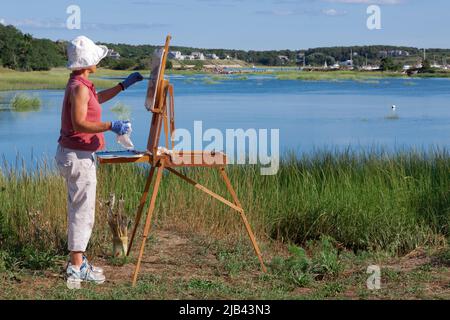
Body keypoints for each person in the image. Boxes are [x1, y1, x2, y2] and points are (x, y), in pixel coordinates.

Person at [55, 36, 143, 284]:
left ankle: (79, 262)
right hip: (78, 157)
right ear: (87, 62)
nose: (98, 62)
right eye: (96, 58)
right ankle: (76, 267)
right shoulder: (80, 87)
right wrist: (111, 125)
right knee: (83, 212)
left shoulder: (80, 83)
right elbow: (79, 123)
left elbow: (98, 99)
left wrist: (123, 86)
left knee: (79, 210)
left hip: (75, 154)